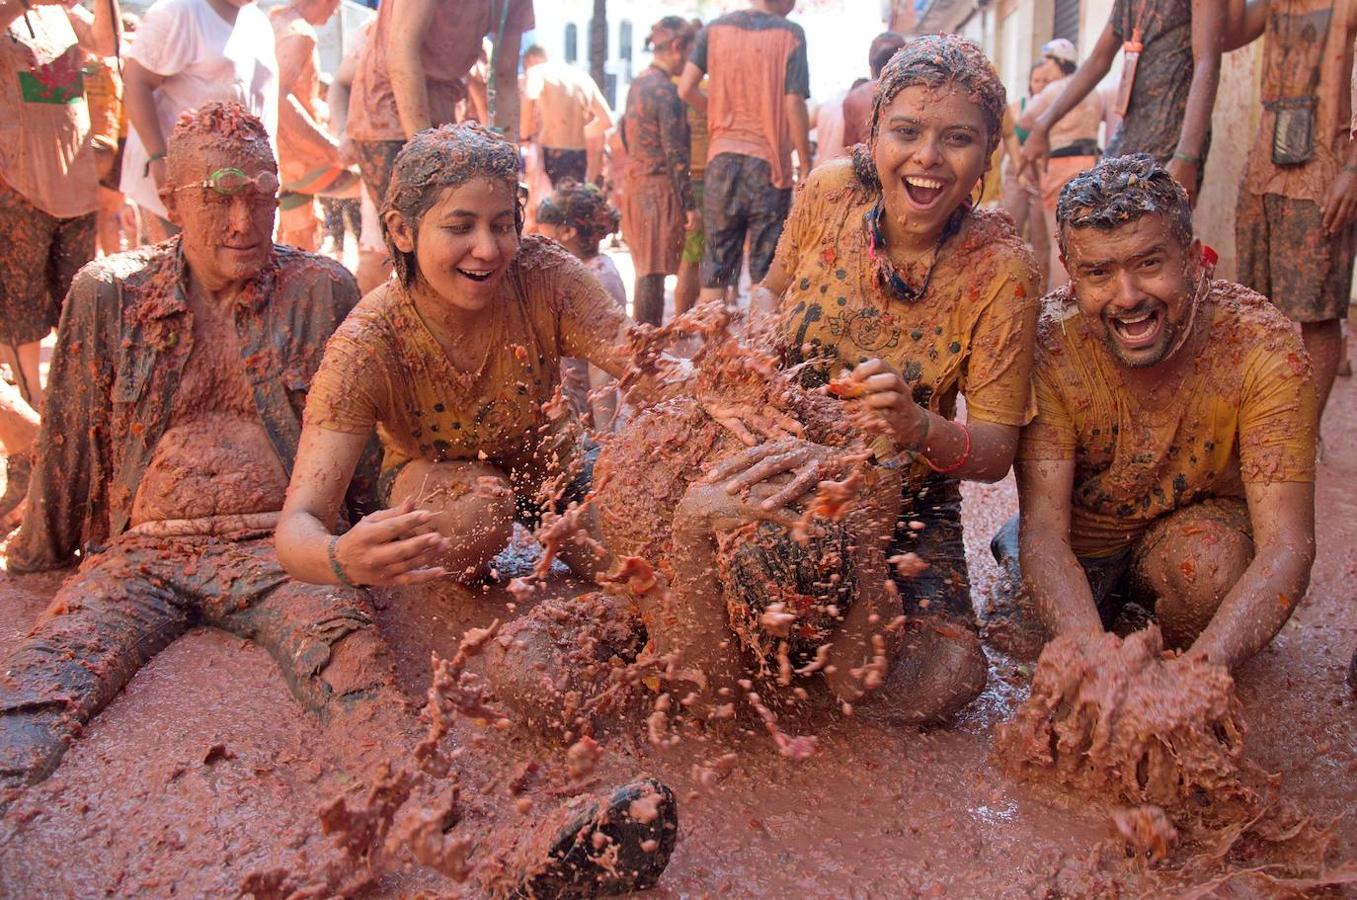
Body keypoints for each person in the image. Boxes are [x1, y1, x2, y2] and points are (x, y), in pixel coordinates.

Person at [0, 104, 677, 894]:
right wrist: (38, 549)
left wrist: (354, 542)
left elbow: (346, 460)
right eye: (218, 196)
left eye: (262, 194)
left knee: (358, 683)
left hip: (277, 551)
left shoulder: (319, 289)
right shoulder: (109, 293)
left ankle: (492, 855)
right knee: (40, 687)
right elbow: (71, 435)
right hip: (145, 549)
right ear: (170, 197)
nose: (243, 219)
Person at [736, 35, 1041, 721]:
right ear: (873, 135)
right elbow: (769, 290)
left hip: (908, 500)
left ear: (987, 155)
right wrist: (757, 354)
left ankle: (826, 647)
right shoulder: (830, 194)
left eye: (957, 138)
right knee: (740, 600)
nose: (927, 158)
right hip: (779, 461)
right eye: (906, 132)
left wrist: (917, 425)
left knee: (948, 676)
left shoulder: (1003, 272)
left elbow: (994, 452)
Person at [275, 123, 657, 589]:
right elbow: (298, 523)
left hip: (550, 460)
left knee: (639, 562)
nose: (488, 250)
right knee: (475, 516)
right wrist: (338, 559)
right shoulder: (369, 342)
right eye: (460, 227)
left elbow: (645, 362)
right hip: (437, 481)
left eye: (502, 225)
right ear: (401, 230)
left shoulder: (544, 276)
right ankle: (451, 594)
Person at [991, 154, 1317, 674]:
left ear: (1192, 258)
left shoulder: (1262, 346)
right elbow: (1046, 535)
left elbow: (1288, 545)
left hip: (1195, 528)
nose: (1128, 297)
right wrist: (1095, 662)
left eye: (1148, 264)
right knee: (1018, 634)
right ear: (1071, 276)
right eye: (1099, 272)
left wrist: (1201, 674)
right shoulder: (1050, 347)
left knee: (1208, 576)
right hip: (1089, 538)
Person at [0, 0, 120, 521]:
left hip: (75, 186)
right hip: (16, 184)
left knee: (79, 317)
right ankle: (30, 456)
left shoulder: (62, 14)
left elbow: (106, 44)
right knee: (21, 323)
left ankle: (83, 448)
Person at [1228, 0, 1357, 425]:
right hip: (1263, 170)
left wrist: (1353, 169)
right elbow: (1227, 35)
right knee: (1255, 305)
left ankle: (1304, 435)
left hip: (1324, 169)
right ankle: (1264, 425)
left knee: (1318, 312)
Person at [1020, 0, 1225, 206]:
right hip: (1131, 132)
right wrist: (1042, 125)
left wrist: (1186, 157)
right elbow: (1098, 60)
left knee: (1150, 220)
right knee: (1093, 207)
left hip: (1173, 138)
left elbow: (1207, 61)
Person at [678, 0, 812, 304]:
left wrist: (717, 113)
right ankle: (760, 336)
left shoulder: (713, 30)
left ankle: (710, 336)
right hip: (768, 167)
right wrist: (805, 163)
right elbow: (794, 102)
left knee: (716, 268)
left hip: (721, 162)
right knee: (765, 276)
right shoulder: (791, 34)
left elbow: (685, 88)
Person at [347, 0, 532, 217]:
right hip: (389, 103)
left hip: (443, 108)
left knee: (457, 218)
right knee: (420, 221)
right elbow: (402, 51)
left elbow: (505, 80)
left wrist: (508, 168)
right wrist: (425, 155)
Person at [122, 0, 278, 241]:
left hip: (238, 188)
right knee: (178, 261)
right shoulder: (178, 12)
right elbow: (135, 81)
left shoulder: (258, 21)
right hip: (181, 186)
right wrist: (159, 158)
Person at [620, 17, 699, 327]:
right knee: (652, 275)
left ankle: (644, 341)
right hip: (657, 190)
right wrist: (689, 205)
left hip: (635, 185)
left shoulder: (639, 83)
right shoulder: (666, 91)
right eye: (690, 52)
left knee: (646, 272)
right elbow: (676, 153)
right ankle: (646, 343)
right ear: (678, 46)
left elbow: (625, 134)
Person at [537, 180, 627, 431]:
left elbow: (602, 369)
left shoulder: (599, 279)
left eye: (543, 234)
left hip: (580, 414)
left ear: (567, 232)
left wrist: (604, 439)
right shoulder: (566, 272)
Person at [1019, 38, 1108, 290]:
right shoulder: (1093, 90)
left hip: (1059, 165)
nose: (1044, 66)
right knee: (1087, 237)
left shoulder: (1053, 91)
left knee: (1059, 240)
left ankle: (1059, 302)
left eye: (1047, 61)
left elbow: (1025, 120)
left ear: (1057, 62)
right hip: (1091, 163)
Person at [270, 0, 341, 251]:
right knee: (371, 177)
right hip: (298, 161)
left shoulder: (277, 19)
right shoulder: (300, 34)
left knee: (292, 242)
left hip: (283, 158)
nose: (336, 11)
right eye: (336, 3)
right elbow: (279, 98)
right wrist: (329, 146)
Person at [1000, 58, 1060, 290]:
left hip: (1042, 174)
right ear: (1029, 82)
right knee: (1010, 227)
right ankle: (1006, 283)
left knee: (1040, 235)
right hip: (1017, 172)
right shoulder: (1018, 107)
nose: (1041, 85)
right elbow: (1009, 139)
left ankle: (1041, 290)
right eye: (1036, 80)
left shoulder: (1056, 110)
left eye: (1045, 81)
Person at [520, 44, 615, 188]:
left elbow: (530, 96)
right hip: (579, 153)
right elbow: (607, 121)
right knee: (574, 197)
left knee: (553, 198)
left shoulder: (537, 71)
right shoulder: (583, 77)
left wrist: (524, 137)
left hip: (553, 150)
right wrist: (581, 133)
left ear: (531, 60)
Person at [674, 17, 710, 318]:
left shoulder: (673, 85)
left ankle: (682, 322)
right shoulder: (710, 87)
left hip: (683, 178)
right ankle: (683, 322)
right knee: (695, 255)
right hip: (702, 178)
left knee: (691, 254)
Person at [841, 31, 908, 149]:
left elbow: (850, 149)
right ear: (908, 60)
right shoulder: (926, 89)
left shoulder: (854, 98)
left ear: (871, 65)